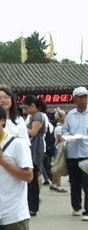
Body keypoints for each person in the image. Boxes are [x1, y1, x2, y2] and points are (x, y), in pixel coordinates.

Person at [62, 87, 88, 220]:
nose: (83, 100)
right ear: (75, 99)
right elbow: (64, 131)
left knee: (87, 181)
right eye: (80, 97)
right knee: (75, 181)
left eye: (85, 97)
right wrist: (69, 135)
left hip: (86, 153)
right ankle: (76, 206)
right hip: (73, 153)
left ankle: (87, 210)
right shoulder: (70, 115)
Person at [22, 95, 46, 216]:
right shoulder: (35, 115)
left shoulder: (37, 116)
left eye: (26, 108)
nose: (25, 110)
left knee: (33, 178)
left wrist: (22, 127)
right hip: (34, 146)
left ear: (32, 105)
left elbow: (33, 132)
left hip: (35, 148)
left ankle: (33, 206)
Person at [50, 108, 67, 193]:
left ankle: (53, 183)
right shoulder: (59, 128)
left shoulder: (61, 127)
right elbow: (59, 139)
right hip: (59, 149)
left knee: (57, 167)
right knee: (58, 168)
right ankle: (58, 185)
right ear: (59, 118)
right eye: (64, 116)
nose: (65, 117)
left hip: (59, 148)